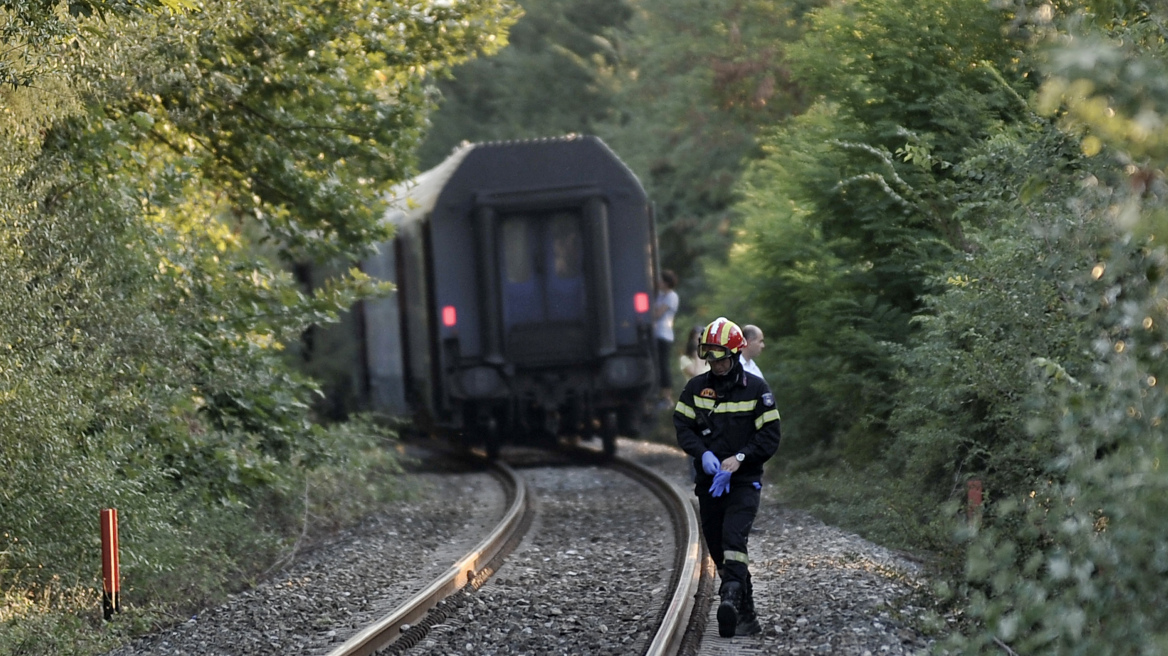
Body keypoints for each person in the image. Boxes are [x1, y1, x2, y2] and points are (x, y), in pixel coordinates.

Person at [673, 317, 781, 638]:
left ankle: (730, 599)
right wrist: (702, 454)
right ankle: (746, 614)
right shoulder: (695, 390)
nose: (716, 366)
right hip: (710, 484)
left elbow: (770, 435)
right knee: (718, 546)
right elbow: (683, 427)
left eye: (721, 359)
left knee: (735, 540)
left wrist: (740, 459)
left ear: (734, 355)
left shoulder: (757, 390)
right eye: (711, 360)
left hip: (745, 481)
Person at [653, 270, 679, 406]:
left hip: (664, 333)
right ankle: (659, 394)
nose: (659, 283)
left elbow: (658, 313)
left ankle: (667, 396)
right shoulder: (661, 296)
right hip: (656, 333)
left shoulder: (671, 296)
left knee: (664, 364)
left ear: (667, 283)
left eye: (661, 280)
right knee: (658, 364)